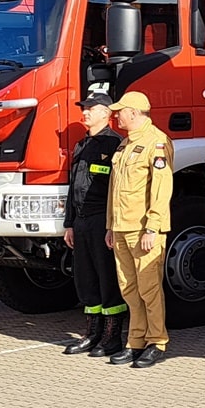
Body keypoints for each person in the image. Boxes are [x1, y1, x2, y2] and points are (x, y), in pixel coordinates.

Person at [106, 90, 173, 367]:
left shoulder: (156, 142)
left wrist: (152, 228)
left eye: (120, 111)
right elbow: (114, 190)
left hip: (143, 229)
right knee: (129, 290)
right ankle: (135, 341)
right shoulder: (124, 145)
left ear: (133, 112)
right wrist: (111, 226)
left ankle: (156, 341)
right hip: (122, 228)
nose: (116, 116)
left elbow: (161, 190)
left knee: (149, 288)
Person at [63, 93, 127, 357]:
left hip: (102, 218)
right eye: (84, 108)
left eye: (91, 108)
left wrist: (112, 224)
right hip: (81, 221)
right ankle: (92, 334)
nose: (85, 112)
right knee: (86, 279)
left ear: (106, 113)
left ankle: (112, 338)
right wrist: (69, 224)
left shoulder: (114, 144)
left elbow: (118, 189)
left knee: (107, 277)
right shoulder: (82, 144)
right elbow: (73, 188)